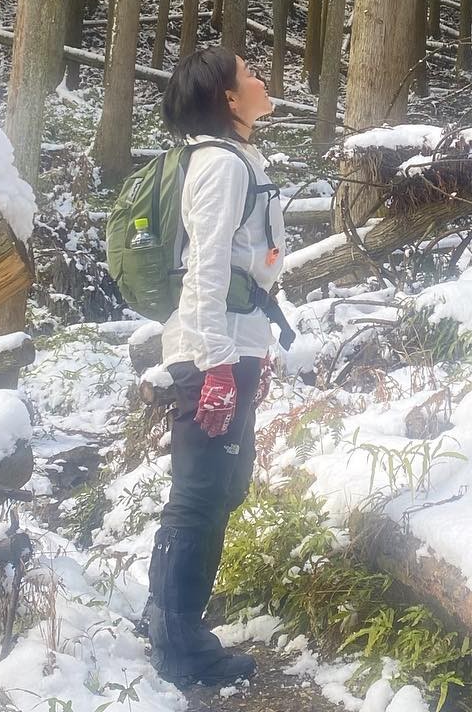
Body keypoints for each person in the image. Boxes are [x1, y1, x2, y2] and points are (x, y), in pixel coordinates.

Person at [145, 47, 286, 688]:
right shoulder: (221, 166)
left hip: (233, 342)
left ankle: (169, 616)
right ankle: (180, 643)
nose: (261, 80)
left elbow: (242, 262)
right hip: (213, 350)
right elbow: (205, 266)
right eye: (249, 74)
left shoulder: (236, 160)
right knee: (201, 493)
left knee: (221, 489)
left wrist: (250, 353)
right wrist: (221, 366)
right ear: (229, 99)